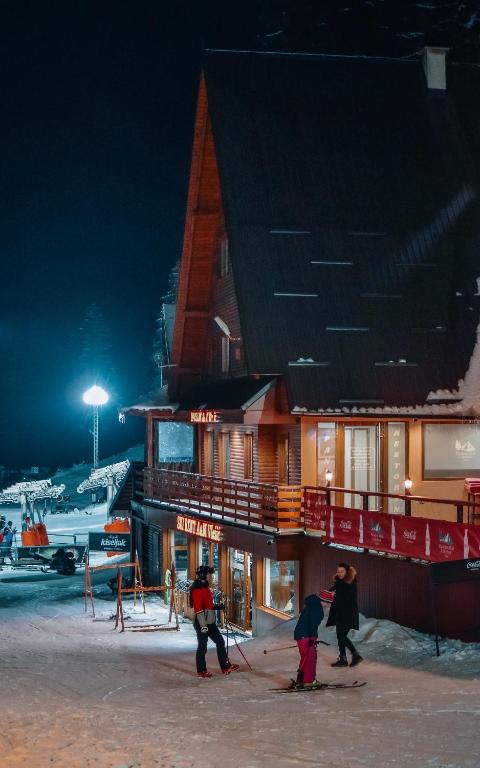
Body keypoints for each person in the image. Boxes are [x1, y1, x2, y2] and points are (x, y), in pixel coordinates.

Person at [190, 564, 240, 679]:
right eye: (209, 574)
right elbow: (198, 609)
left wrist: (217, 606)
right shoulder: (197, 588)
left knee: (220, 641)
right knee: (202, 646)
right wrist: (203, 626)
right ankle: (201, 671)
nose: (211, 577)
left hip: (209, 620)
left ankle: (225, 666)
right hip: (201, 622)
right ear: (203, 575)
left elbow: (207, 604)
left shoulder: (204, 587)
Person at [326, 562, 362, 668]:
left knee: (341, 636)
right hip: (339, 613)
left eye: (342, 571)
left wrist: (335, 595)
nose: (339, 573)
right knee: (340, 636)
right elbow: (332, 590)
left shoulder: (350, 583)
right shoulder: (339, 582)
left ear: (347, 572)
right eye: (338, 571)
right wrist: (327, 593)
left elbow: (347, 597)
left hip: (348, 614)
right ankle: (343, 659)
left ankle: (355, 655)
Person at [292, 594, 324, 688]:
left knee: (305, 657)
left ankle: (301, 678)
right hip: (305, 635)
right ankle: (309, 680)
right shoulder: (316, 608)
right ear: (324, 601)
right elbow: (312, 624)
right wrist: (312, 638)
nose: (330, 605)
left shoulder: (311, 606)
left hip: (301, 635)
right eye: (329, 602)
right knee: (311, 658)